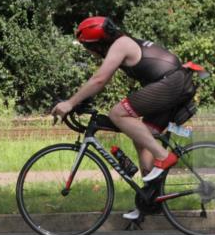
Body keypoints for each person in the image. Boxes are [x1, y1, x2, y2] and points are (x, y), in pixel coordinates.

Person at [52, 16, 197, 221]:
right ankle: (150, 200)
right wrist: (80, 100)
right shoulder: (121, 43)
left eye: (88, 48)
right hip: (174, 82)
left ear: (98, 44)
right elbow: (101, 81)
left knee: (117, 113)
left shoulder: (121, 44)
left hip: (172, 82)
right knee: (141, 138)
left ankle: (163, 157)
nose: (90, 53)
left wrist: (70, 103)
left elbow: (99, 79)